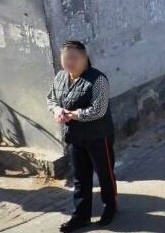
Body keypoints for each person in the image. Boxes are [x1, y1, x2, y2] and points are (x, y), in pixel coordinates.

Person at [47, 40, 117, 232]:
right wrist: (57, 110)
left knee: (105, 174)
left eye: (74, 58)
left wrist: (72, 115)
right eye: (66, 58)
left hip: (98, 136)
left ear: (85, 58)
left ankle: (110, 208)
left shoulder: (98, 79)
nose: (69, 62)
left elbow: (98, 110)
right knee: (80, 177)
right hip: (75, 136)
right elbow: (51, 99)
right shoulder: (60, 77)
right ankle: (81, 216)